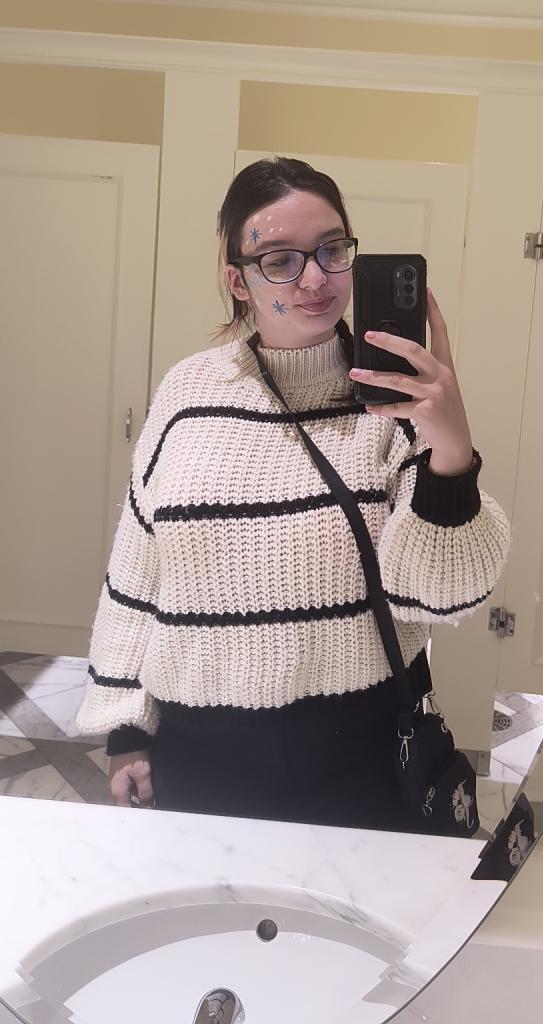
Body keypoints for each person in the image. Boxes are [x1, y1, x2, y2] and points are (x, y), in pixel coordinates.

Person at [75, 156, 512, 830]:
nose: (315, 278)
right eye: (280, 259)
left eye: (332, 250)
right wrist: (126, 730)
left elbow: (443, 596)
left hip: (360, 756)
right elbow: (138, 570)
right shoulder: (187, 394)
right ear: (238, 280)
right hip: (199, 753)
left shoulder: (395, 407)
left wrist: (451, 448)